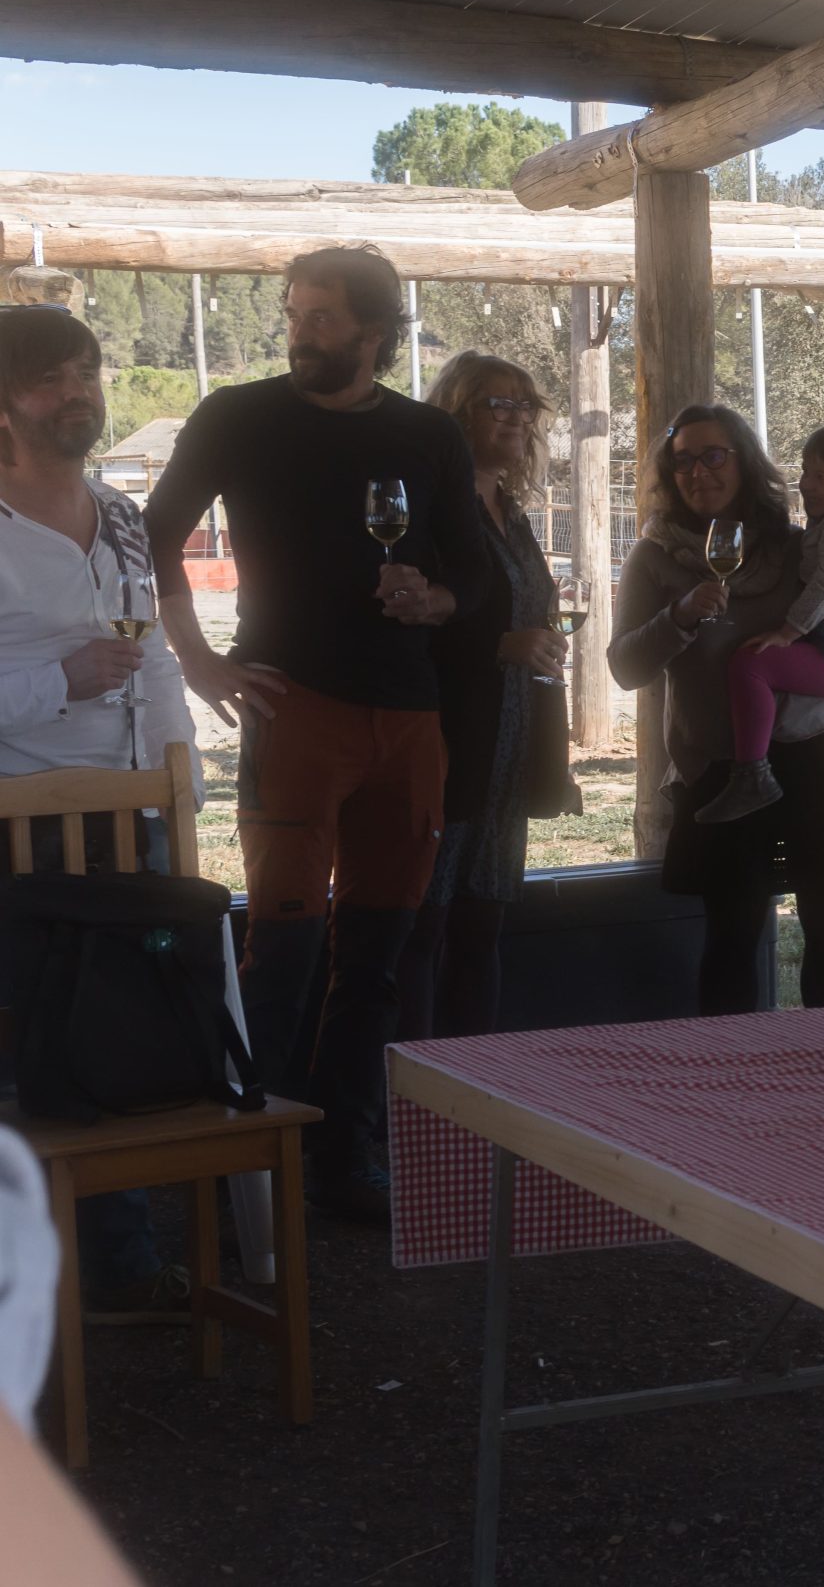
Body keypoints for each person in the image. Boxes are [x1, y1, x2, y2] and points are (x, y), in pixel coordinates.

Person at [146, 246, 489, 1224]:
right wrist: (198, 661)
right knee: (284, 951)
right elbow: (155, 531)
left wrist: (433, 599)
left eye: (322, 317)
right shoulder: (237, 417)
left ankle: (347, 1157)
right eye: (294, 313)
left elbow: (473, 569)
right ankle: (242, 1180)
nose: (300, 332)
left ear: (373, 334)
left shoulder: (427, 433)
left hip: (409, 718)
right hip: (292, 709)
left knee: (378, 953)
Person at [0, 305, 196, 1308]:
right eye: (49, 378)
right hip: (15, 834)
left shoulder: (123, 514)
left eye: (86, 371)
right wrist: (59, 684)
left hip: (131, 823)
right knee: (33, 1052)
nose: (76, 392)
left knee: (128, 1038)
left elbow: (154, 651)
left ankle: (122, 1260)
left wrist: (180, 774)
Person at [609, 404, 824, 1016]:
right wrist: (681, 614)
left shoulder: (795, 544)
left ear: (745, 463)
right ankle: (733, 1094)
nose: (698, 471)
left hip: (820, 760)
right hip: (724, 773)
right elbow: (625, 667)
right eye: (682, 459)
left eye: (714, 455)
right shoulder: (654, 557)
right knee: (733, 938)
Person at [392, 352, 579, 1042]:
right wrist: (501, 645)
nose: (515, 418)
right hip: (448, 747)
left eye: (524, 405)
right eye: (497, 403)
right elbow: (402, 627)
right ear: (456, 414)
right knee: (422, 930)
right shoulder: (431, 515)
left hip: (509, 752)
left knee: (482, 929)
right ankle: (409, 1092)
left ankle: (477, 1089)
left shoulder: (515, 512)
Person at [697, 421, 824, 825]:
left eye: (821, 476)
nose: (806, 483)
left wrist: (788, 632)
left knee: (751, 663)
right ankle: (752, 772)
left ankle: (752, 776)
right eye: (805, 471)